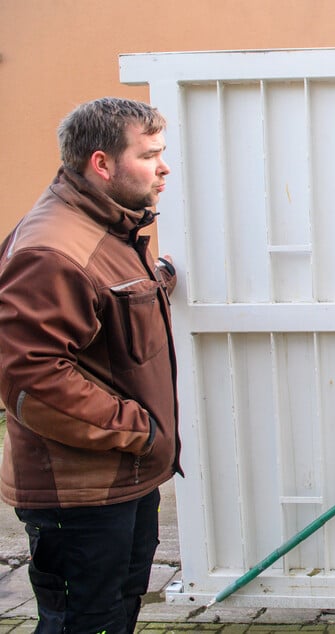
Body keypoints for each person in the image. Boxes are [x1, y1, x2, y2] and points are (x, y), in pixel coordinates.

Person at [0, 97, 181, 633]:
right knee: (84, 623)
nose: (164, 168)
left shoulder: (106, 227)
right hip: (79, 496)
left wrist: (161, 279)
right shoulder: (52, 249)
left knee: (116, 613)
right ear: (101, 163)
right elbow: (31, 380)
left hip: (123, 478)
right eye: (148, 155)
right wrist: (139, 431)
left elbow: (106, 302)